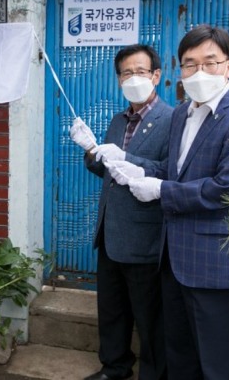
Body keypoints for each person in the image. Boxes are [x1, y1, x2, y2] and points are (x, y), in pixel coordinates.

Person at [106, 25, 229, 380]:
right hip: (172, 257)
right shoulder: (182, 113)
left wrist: (161, 191)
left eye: (210, 62)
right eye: (190, 64)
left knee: (214, 361)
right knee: (179, 355)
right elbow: (172, 170)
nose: (199, 72)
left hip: (211, 261)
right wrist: (135, 167)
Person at [69, 44, 172, 380]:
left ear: (156, 75)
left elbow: (169, 171)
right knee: (112, 309)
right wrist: (90, 150)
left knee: (149, 315)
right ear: (118, 80)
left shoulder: (171, 120)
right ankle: (114, 367)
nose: (133, 78)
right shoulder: (118, 120)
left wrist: (127, 159)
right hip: (110, 231)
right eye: (126, 73)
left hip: (144, 235)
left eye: (140, 71)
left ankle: (154, 374)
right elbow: (109, 170)